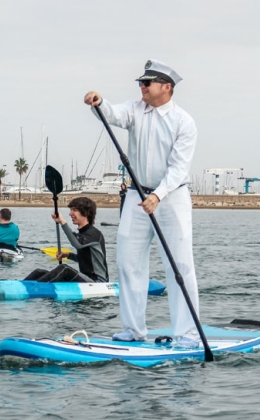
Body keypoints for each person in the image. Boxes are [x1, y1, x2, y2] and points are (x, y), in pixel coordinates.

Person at [84, 59, 200, 348]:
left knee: (180, 264)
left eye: (147, 83)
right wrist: (99, 102)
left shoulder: (184, 122)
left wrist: (158, 195)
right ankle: (134, 330)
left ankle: (188, 333)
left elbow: (178, 168)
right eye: (140, 82)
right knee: (128, 262)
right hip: (137, 195)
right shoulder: (136, 110)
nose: (142, 87)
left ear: (167, 87)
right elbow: (112, 114)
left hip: (171, 198)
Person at [25, 197, 108, 283]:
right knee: (39, 272)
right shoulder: (83, 234)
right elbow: (87, 260)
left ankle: (37, 288)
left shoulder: (94, 234)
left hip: (98, 282)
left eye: (74, 210)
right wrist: (68, 255)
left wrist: (62, 222)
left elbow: (77, 244)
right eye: (71, 210)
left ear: (85, 212)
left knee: (64, 269)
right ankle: (20, 286)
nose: (70, 213)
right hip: (86, 280)